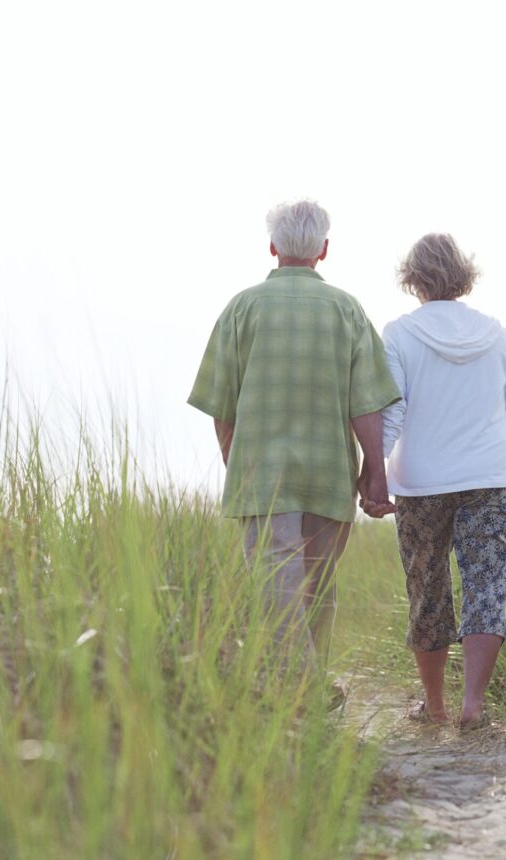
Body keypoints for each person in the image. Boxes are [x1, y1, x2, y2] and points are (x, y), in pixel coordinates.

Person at [188, 200, 399, 680]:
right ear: (323, 250)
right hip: (329, 474)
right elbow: (366, 404)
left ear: (272, 248)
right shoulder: (346, 310)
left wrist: (235, 463)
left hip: (262, 473)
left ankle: (299, 691)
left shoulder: (242, 308)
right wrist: (375, 474)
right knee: (317, 585)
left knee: (276, 583)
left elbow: (221, 405)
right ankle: (309, 686)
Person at [381, 233, 506, 729]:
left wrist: (373, 474)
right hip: (490, 476)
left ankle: (435, 706)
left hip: (421, 482)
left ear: (413, 278)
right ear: (464, 275)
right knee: (487, 585)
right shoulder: (494, 333)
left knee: (427, 587)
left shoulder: (400, 334)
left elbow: (392, 412)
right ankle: (473, 705)